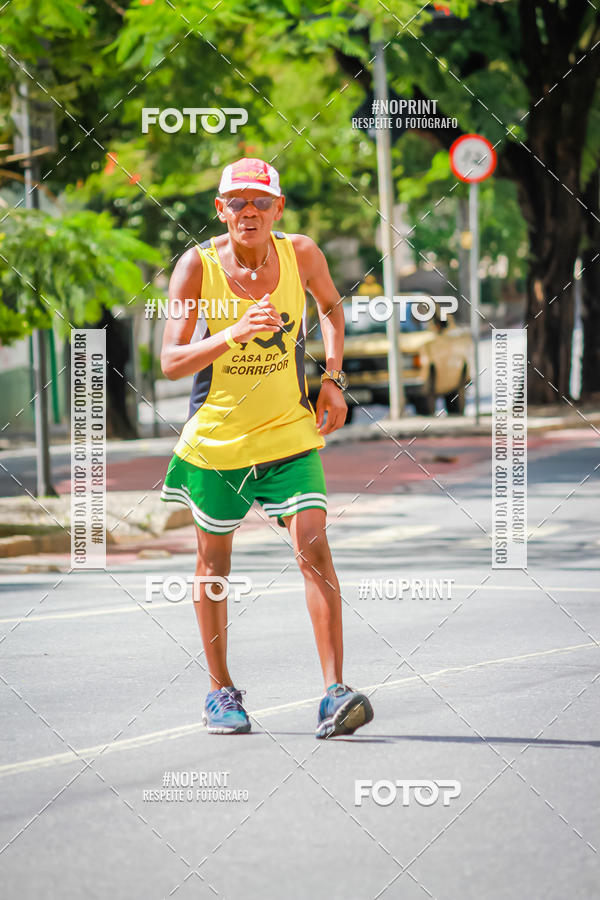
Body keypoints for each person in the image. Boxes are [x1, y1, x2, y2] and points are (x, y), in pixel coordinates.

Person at [160, 157, 374, 739]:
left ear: (278, 209)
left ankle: (334, 693)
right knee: (214, 566)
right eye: (237, 202)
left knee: (315, 545)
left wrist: (334, 377)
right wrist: (231, 332)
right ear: (220, 209)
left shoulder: (300, 253)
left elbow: (331, 306)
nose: (248, 211)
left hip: (287, 433)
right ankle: (220, 691)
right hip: (219, 442)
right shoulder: (194, 267)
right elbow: (170, 361)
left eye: (260, 202)